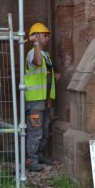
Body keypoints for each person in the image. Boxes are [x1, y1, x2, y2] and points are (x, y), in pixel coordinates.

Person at [25, 23, 60, 172]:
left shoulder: (46, 55)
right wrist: (36, 43)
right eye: (44, 35)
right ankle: (31, 161)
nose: (47, 38)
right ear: (37, 36)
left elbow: (45, 74)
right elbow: (38, 63)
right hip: (34, 101)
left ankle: (39, 156)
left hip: (44, 101)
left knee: (44, 131)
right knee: (35, 132)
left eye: (47, 36)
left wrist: (54, 77)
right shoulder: (34, 53)